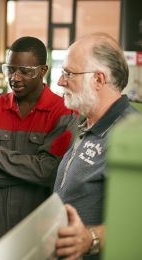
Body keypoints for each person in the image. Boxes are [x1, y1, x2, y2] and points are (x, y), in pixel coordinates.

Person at [0, 36, 79, 250]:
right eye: (10, 69)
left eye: (25, 71)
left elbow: (50, 172)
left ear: (43, 71)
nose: (15, 78)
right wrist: (32, 172)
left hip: (41, 226)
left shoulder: (64, 113)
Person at [53, 32, 140, 260]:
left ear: (99, 80)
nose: (60, 81)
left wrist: (91, 238)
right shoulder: (86, 125)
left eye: (68, 73)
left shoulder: (130, 137)